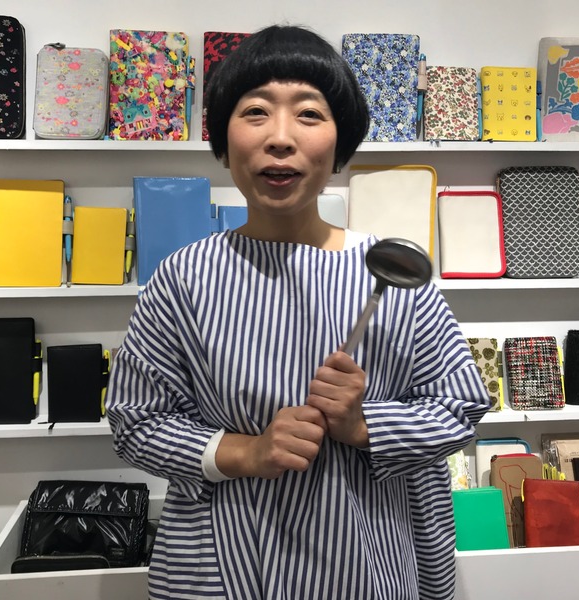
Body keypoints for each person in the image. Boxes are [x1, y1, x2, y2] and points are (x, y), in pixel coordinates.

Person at [106, 24, 490, 600]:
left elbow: (459, 407)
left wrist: (363, 426)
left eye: (309, 114)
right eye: (255, 112)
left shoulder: (394, 277)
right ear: (224, 138)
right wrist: (246, 451)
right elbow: (137, 422)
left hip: (365, 565)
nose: (280, 138)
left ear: (340, 142)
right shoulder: (183, 278)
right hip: (221, 566)